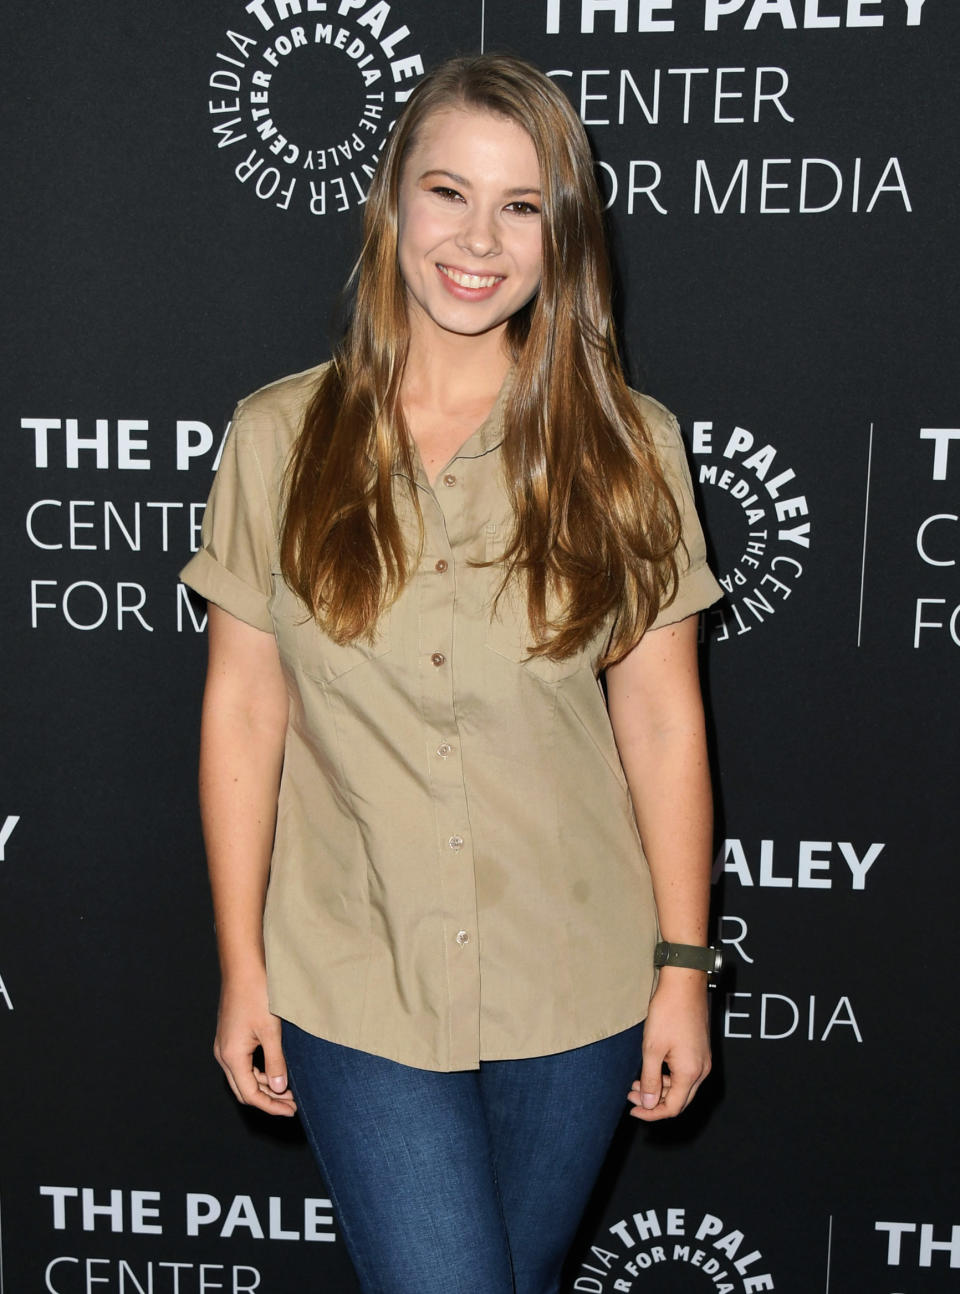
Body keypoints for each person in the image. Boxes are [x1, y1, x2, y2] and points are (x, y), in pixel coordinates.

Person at [181, 52, 723, 1294]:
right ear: (392, 205)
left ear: (560, 233)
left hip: (574, 973)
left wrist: (683, 971)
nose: (479, 238)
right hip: (353, 966)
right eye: (448, 192)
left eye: (521, 204)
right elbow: (244, 711)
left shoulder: (630, 447)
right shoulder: (280, 438)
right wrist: (242, 968)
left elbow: (660, 722)